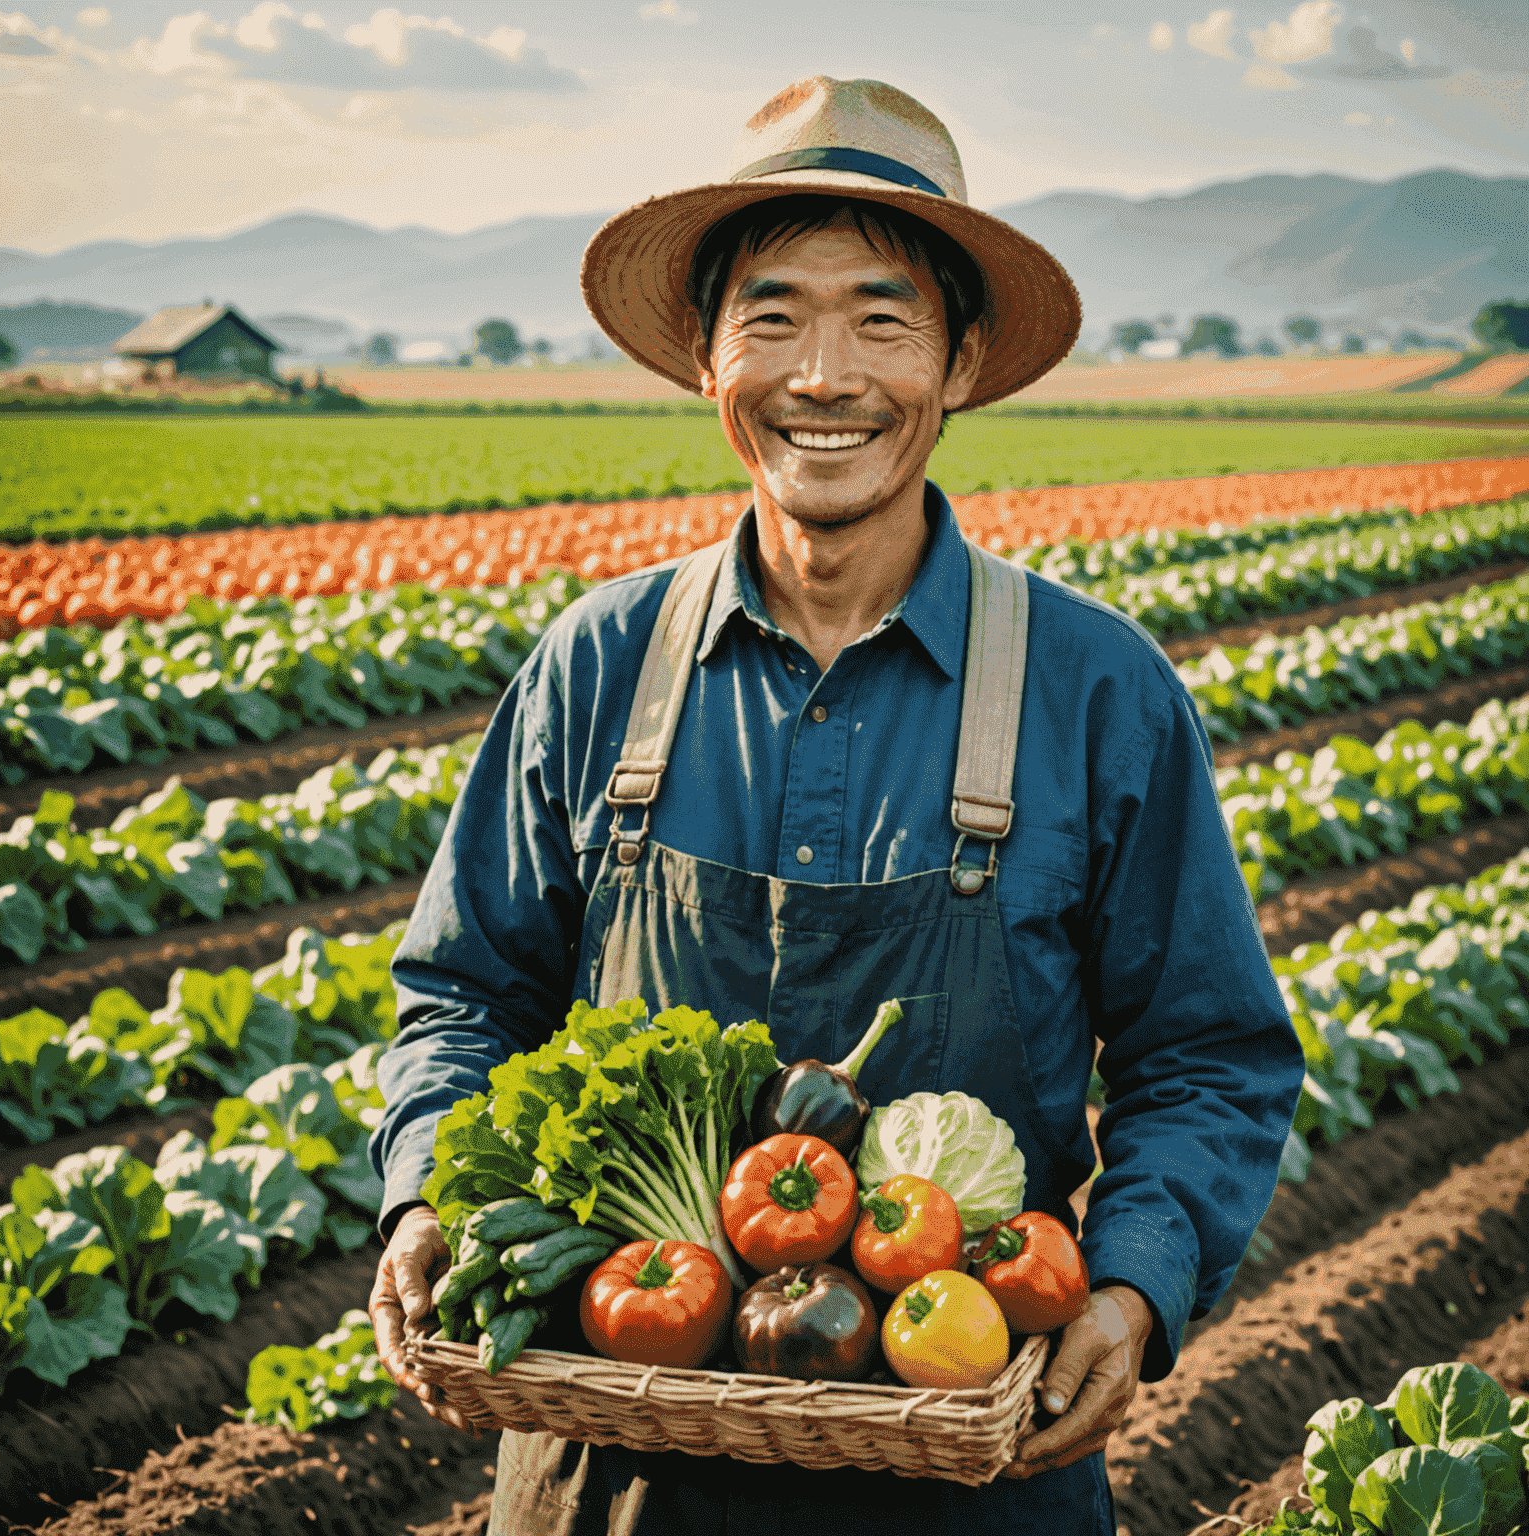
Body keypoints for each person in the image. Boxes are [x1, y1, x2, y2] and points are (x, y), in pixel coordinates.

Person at [368, 75, 1304, 1536]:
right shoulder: (597, 667)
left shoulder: (1098, 690)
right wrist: (427, 1193)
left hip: (977, 1463)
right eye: (774, 317)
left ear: (961, 357)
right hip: (614, 1477)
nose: (825, 375)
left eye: (881, 319)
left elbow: (1207, 1054)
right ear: (706, 359)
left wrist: (1128, 1280)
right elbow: (461, 992)